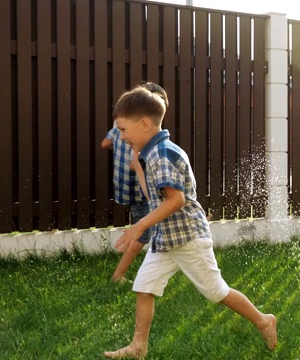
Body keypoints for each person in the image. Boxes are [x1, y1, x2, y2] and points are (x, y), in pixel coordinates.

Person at [104, 82, 277, 358]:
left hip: (187, 238)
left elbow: (176, 200)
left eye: (123, 129)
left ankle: (263, 319)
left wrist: (140, 225)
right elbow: (155, 198)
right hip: (166, 239)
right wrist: (138, 168)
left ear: (145, 124)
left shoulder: (162, 155)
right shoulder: (152, 153)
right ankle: (138, 346)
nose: (121, 137)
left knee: (216, 292)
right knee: (144, 286)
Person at [101, 122, 151, 283]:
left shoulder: (118, 128)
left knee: (140, 227)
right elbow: (133, 164)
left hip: (123, 186)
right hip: (139, 190)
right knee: (143, 233)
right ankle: (118, 275)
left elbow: (105, 144)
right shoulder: (141, 133)